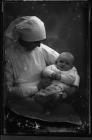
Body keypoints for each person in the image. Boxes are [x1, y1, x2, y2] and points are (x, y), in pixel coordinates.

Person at [4, 16, 80, 132]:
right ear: (24, 39)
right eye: (36, 42)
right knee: (39, 109)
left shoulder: (41, 49)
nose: (39, 45)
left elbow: (69, 66)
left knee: (66, 109)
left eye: (40, 41)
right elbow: (7, 91)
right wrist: (37, 87)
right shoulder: (7, 55)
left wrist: (72, 87)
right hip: (23, 98)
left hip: (47, 92)